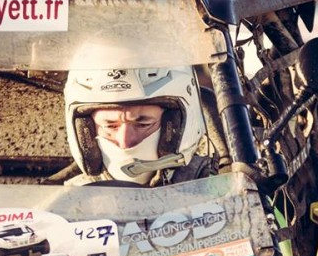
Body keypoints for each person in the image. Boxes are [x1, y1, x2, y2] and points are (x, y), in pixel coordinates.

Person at [63, 66, 210, 186]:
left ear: (178, 125)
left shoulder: (216, 192)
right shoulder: (65, 204)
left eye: (143, 124)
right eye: (110, 126)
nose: (125, 142)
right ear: (85, 130)